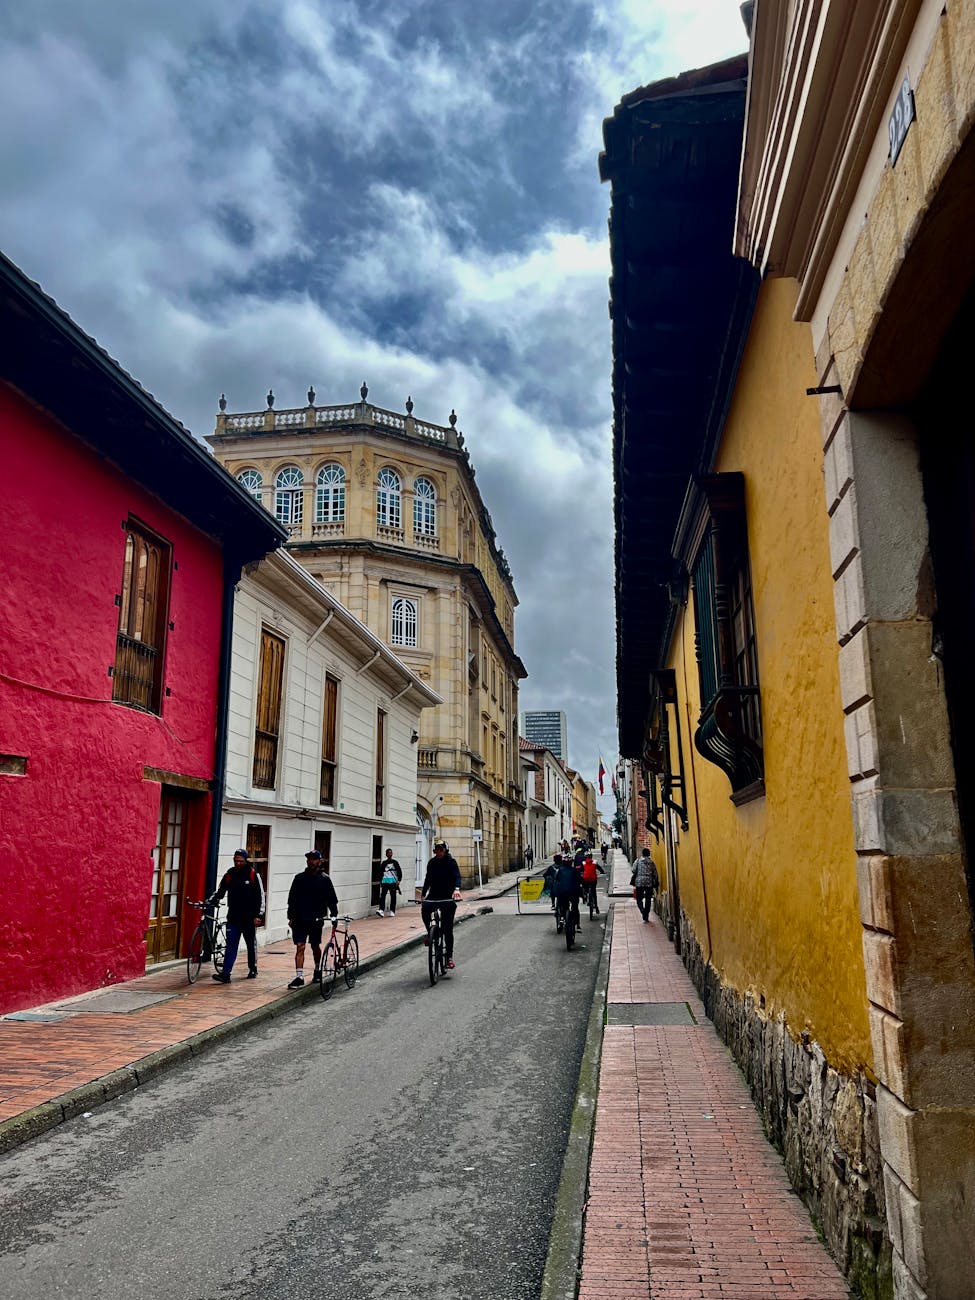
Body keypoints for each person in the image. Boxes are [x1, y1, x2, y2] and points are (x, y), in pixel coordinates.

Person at [209, 849, 265, 982]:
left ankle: (253, 968)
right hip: (233, 916)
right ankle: (226, 974)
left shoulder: (252, 874)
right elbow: (222, 889)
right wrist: (214, 899)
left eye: (241, 861)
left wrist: (259, 915)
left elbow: (260, 896)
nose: (238, 863)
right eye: (236, 861)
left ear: (246, 861)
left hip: (249, 918)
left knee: (250, 944)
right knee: (231, 945)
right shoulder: (230, 873)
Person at [287, 849, 338, 987]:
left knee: (315, 945)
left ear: (320, 861)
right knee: (300, 946)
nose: (311, 861)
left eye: (314, 859)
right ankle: (299, 976)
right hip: (300, 918)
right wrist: (290, 916)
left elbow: (331, 899)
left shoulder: (324, 879)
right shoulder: (299, 878)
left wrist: (334, 914)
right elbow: (292, 899)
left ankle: (317, 969)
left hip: (316, 919)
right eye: (309, 859)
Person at [420, 838, 462, 969]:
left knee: (447, 929)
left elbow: (457, 876)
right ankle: (431, 933)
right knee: (425, 908)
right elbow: (428, 878)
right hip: (434, 894)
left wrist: (456, 889)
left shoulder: (451, 862)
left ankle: (449, 957)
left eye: (441, 850)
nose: (438, 853)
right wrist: (423, 893)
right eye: (436, 850)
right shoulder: (432, 863)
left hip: (447, 896)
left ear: (445, 851)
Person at [551, 852, 582, 930]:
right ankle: (577, 924)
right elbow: (581, 881)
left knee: (562, 905)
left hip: (562, 893)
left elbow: (555, 880)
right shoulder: (575, 871)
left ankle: (561, 917)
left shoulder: (559, 871)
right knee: (575, 906)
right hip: (573, 893)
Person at [631, 848, 660, 922]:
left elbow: (633, 870)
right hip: (649, 882)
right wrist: (656, 881)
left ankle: (642, 910)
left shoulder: (637, 861)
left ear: (642, 854)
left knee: (639, 898)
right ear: (649, 854)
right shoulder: (651, 862)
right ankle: (646, 915)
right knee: (648, 899)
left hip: (639, 882)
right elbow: (655, 873)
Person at [376, 848, 402, 917]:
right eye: (388, 853)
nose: (389, 854)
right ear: (386, 854)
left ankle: (392, 910)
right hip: (385, 881)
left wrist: (399, 880)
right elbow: (380, 872)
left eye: (390, 853)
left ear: (392, 854)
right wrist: (381, 881)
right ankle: (381, 910)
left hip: (393, 882)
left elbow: (399, 871)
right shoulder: (384, 863)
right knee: (382, 896)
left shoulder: (395, 862)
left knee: (393, 896)